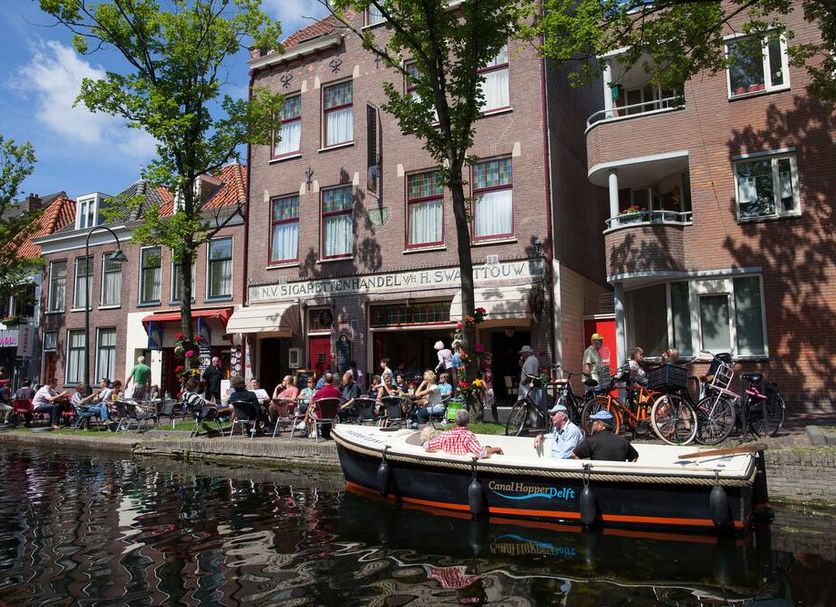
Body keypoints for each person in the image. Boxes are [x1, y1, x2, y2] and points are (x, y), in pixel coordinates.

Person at [423, 409, 503, 459]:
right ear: (468, 422)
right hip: (466, 469)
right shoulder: (468, 436)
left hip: (448, 467)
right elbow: (481, 453)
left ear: (455, 421)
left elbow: (426, 446)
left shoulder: (444, 435)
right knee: (489, 448)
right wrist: (497, 449)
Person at [573, 410, 639, 462]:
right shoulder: (623, 441)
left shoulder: (591, 441)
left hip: (597, 475)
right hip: (618, 475)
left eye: (594, 421)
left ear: (601, 424)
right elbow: (635, 457)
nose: (592, 424)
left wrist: (585, 469)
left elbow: (574, 455)